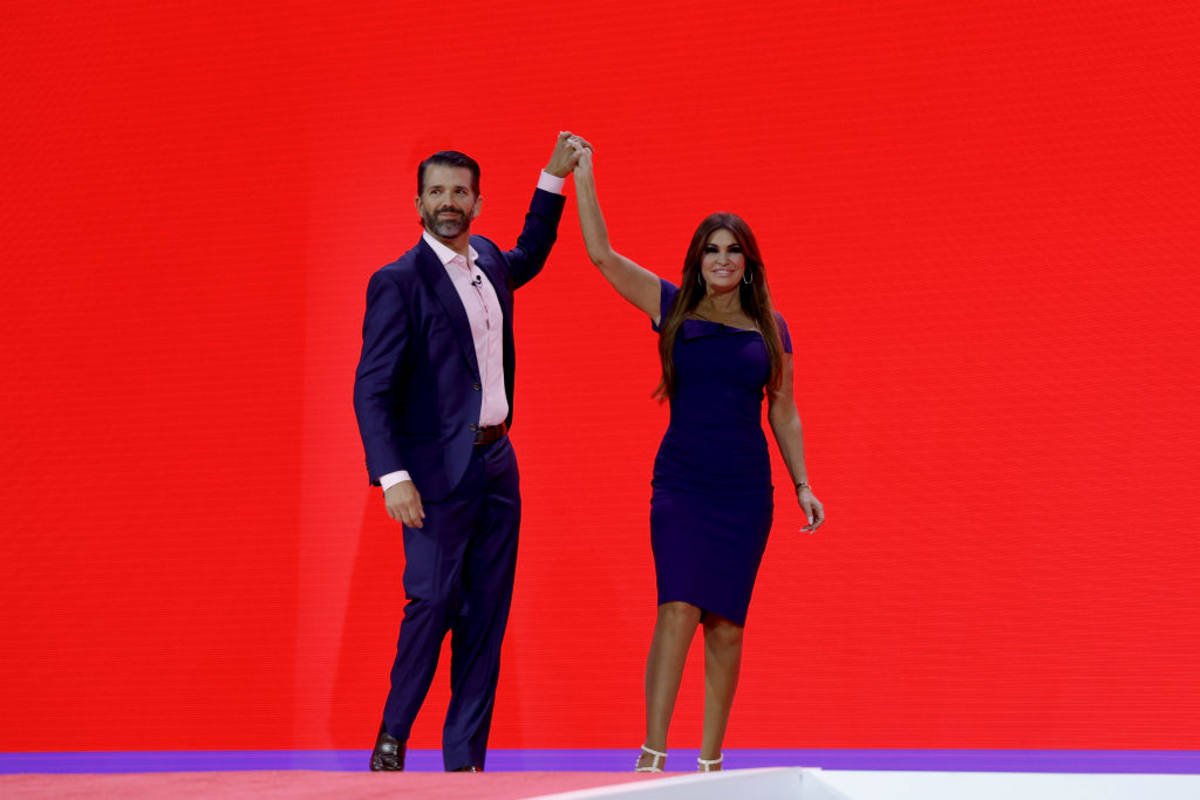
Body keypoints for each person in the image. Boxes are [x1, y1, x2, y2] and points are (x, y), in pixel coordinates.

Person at [569, 140, 826, 773]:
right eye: (711, 249)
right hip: (682, 484)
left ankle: (710, 765)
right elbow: (601, 256)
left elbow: (783, 409)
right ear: (697, 259)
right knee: (678, 605)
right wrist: (584, 176)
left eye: (732, 249)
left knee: (727, 624)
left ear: (748, 262)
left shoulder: (772, 328)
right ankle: (652, 757)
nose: (721, 258)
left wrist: (802, 484)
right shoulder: (672, 307)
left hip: (745, 491)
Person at [353, 133, 581, 772]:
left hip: (498, 465)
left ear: (477, 202)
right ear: (418, 203)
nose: (448, 202)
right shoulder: (398, 282)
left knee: (486, 613)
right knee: (431, 602)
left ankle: (465, 763)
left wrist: (552, 179)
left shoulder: (486, 260)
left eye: (459, 191)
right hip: (432, 476)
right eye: (436, 192)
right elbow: (370, 388)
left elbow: (530, 252)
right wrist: (392, 474)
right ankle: (392, 741)